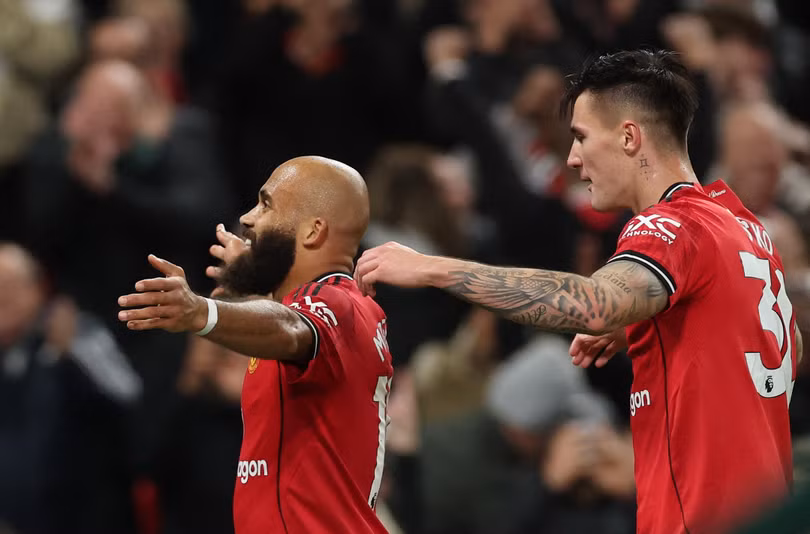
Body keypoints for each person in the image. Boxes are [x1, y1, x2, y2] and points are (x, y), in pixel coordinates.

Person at [355, 50, 800, 534]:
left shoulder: (668, 225)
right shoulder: (742, 226)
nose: (572, 158)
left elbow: (593, 304)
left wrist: (433, 268)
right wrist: (648, 324)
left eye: (582, 137)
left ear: (629, 137)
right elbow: (788, 343)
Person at [118, 156, 393, 533]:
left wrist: (201, 312)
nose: (248, 218)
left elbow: (294, 329)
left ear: (312, 231)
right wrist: (260, 278)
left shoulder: (335, 303)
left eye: (266, 205)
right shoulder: (345, 310)